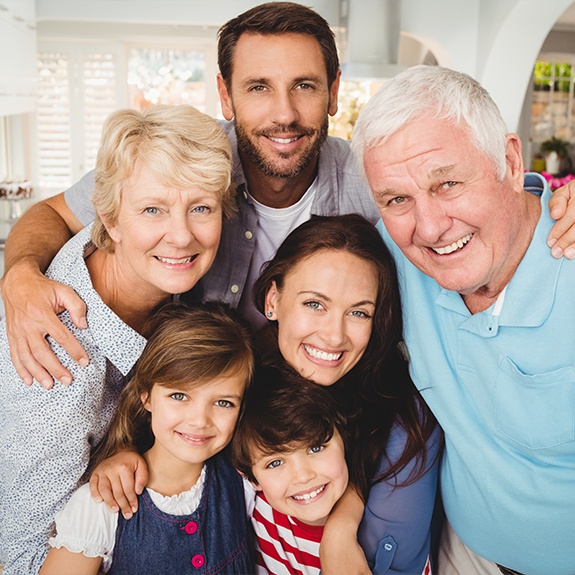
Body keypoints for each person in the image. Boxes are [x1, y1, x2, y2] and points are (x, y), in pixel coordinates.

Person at [0, 1, 379, 390]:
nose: (284, 114)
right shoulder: (187, 157)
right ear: (226, 95)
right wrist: (20, 274)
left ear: (333, 91)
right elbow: (54, 213)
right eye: (258, 87)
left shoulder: (371, 185)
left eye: (304, 86)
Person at [90, 214, 441, 575]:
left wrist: (341, 526)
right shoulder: (240, 377)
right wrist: (125, 453)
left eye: (358, 312)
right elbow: (180, 413)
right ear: (273, 298)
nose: (335, 336)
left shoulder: (399, 415)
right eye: (314, 304)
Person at [351, 64, 575, 575]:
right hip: (460, 554)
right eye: (397, 199)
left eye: (448, 183)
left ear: (510, 161)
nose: (428, 227)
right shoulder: (391, 259)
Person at [0, 104, 235, 575]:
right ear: (109, 219)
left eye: (201, 208)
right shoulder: (60, 366)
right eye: (153, 209)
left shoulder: (146, 283)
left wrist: (121, 450)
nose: (182, 235)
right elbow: (20, 556)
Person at [40, 302, 255, 575]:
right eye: (179, 396)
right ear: (146, 397)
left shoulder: (243, 482)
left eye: (224, 403)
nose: (200, 420)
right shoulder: (101, 505)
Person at [230, 360, 352, 575]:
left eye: (316, 448)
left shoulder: (382, 511)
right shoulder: (260, 514)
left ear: (344, 438)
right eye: (275, 463)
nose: (303, 476)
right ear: (251, 479)